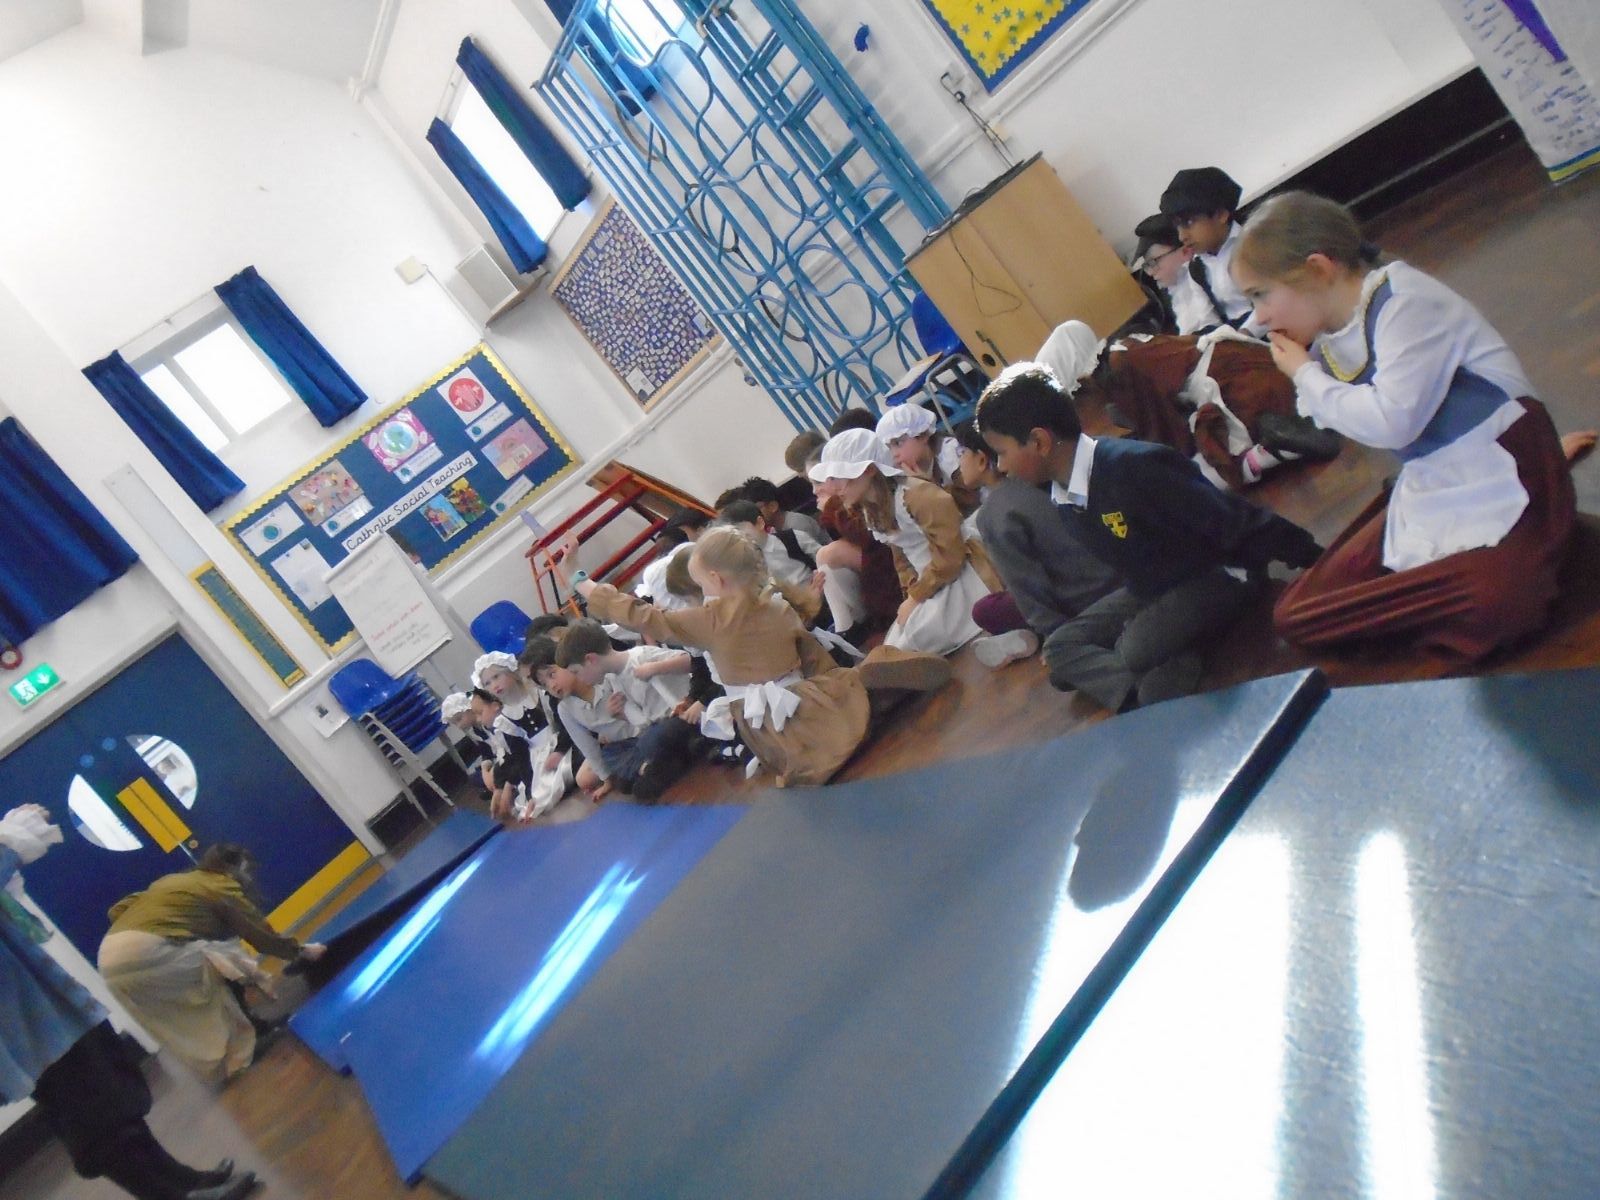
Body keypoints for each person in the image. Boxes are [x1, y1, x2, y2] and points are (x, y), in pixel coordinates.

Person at [1232, 190, 1589, 662]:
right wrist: (1308, 371)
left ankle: (1534, 509)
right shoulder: (1327, 333)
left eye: (1261, 295)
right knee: (1296, 614)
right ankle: (1445, 577)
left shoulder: (1405, 303)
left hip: (1506, 464)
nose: (1259, 318)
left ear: (1318, 268)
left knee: (1497, 603)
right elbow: (1340, 418)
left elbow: (1392, 424)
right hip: (1436, 481)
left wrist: (1304, 374)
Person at [976, 362, 1322, 710]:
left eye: (1002, 453)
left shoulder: (1131, 466)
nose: (1001, 466)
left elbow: (1232, 518)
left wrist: (1316, 558)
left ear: (1039, 441)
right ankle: (1142, 688)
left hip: (1220, 574)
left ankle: (1149, 672)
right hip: (1155, 588)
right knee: (1060, 648)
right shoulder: (1063, 496)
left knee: (1135, 649)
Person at [556, 526, 953, 788]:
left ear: (716, 580)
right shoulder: (775, 603)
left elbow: (639, 614)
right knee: (838, 695)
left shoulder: (711, 619)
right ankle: (859, 691)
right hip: (806, 692)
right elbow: (812, 655)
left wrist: (579, 580)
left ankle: (844, 713)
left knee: (811, 754)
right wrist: (837, 682)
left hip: (770, 722)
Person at [1, 807, 257, 1200]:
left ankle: (182, 1181)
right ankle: (170, 1195)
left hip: (33, 997)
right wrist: (10, 844)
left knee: (108, 1088)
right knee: (87, 1109)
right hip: (19, 1022)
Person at [97, 846, 324, 1086]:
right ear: (235, 868)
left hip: (109, 964)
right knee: (225, 961)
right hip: (148, 953)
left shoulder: (176, 881)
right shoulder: (221, 886)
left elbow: (116, 911)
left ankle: (232, 1050)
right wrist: (301, 951)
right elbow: (260, 936)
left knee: (194, 1000)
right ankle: (247, 1045)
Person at [810, 428, 1000, 656]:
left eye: (841, 477)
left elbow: (951, 556)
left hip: (961, 576)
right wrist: (911, 592)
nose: (833, 488)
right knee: (895, 643)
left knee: (916, 639)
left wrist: (916, 597)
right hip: (928, 582)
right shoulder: (872, 509)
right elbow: (901, 557)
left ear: (869, 469)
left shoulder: (916, 495)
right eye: (831, 479)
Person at [951, 420, 1120, 668]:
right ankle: (1024, 638)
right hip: (1114, 576)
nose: (958, 462)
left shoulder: (994, 514)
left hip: (1083, 602)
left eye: (961, 452)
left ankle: (1031, 638)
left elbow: (1027, 585)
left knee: (984, 610)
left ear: (981, 459)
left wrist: (1057, 638)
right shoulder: (1041, 474)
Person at [548, 622, 700, 802]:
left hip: (685, 713)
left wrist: (655, 668)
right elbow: (644, 722)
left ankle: (676, 756)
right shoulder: (614, 679)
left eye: (576, 671)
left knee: (648, 743)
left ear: (590, 660)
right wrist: (622, 716)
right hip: (660, 725)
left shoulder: (639, 656)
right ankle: (672, 761)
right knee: (620, 766)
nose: (579, 678)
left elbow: (691, 661)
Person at [1159, 166, 1266, 336]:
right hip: (1236, 337)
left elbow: (1273, 300)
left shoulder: (1255, 245)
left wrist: (1244, 335)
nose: (1182, 236)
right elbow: (1208, 319)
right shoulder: (1196, 268)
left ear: (1221, 215)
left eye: (1189, 223)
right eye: (1177, 226)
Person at [874, 403, 979, 513]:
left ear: (923, 435)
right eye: (889, 448)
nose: (894, 454)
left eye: (898, 443)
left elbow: (973, 501)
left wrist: (929, 487)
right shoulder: (904, 477)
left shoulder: (951, 454)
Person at [1133, 213, 1209, 336]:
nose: (1150, 272)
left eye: (1153, 262)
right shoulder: (1174, 290)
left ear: (1185, 251)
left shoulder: (1206, 279)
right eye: (1147, 266)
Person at [738, 475, 829, 546]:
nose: (753, 516)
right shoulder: (776, 530)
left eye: (756, 510)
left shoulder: (797, 525)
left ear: (773, 506)